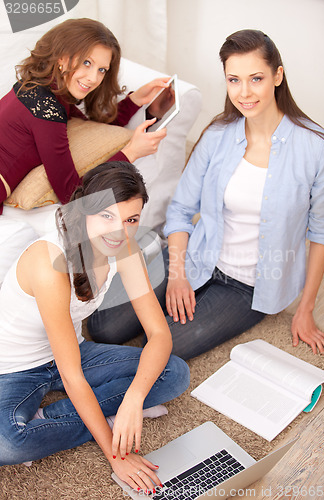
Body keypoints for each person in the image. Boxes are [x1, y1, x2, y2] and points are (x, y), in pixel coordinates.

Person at [87, 29, 324, 359]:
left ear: (277, 76)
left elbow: (321, 231)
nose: (244, 92)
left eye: (256, 78)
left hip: (248, 287)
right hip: (194, 256)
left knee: (159, 349)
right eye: (234, 80)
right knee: (104, 328)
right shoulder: (217, 135)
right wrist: (176, 274)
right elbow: (181, 210)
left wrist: (306, 308)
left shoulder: (316, 148)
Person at [0, 161, 190, 493]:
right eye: (107, 216)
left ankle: (57, 419)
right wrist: (115, 454)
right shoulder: (50, 260)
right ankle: (100, 419)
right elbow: (72, 376)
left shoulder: (125, 248)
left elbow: (159, 334)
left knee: (174, 373)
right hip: (15, 368)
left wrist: (134, 398)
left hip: (72, 350)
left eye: (131, 220)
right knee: (9, 444)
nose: (119, 232)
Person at [0, 18, 168, 214]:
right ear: (61, 57)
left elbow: (89, 128)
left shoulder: (43, 89)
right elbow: (72, 195)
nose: (93, 78)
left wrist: (135, 100)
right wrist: (131, 153)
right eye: (86, 62)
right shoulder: (46, 110)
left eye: (101, 70)